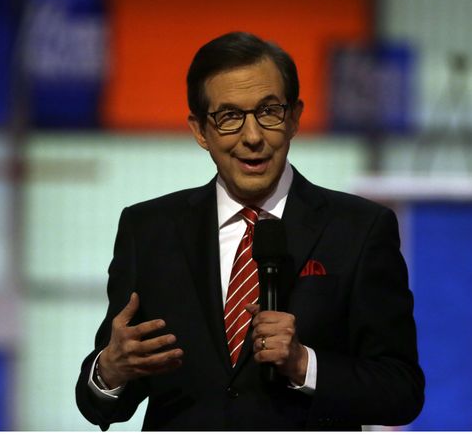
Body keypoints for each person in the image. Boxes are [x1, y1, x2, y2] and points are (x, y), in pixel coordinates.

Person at [75, 31, 424, 430]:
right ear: (199, 131)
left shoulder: (360, 230)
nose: (253, 137)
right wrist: (110, 370)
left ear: (294, 118)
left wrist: (303, 363)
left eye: (269, 111)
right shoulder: (150, 230)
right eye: (229, 117)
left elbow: (402, 392)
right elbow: (99, 404)